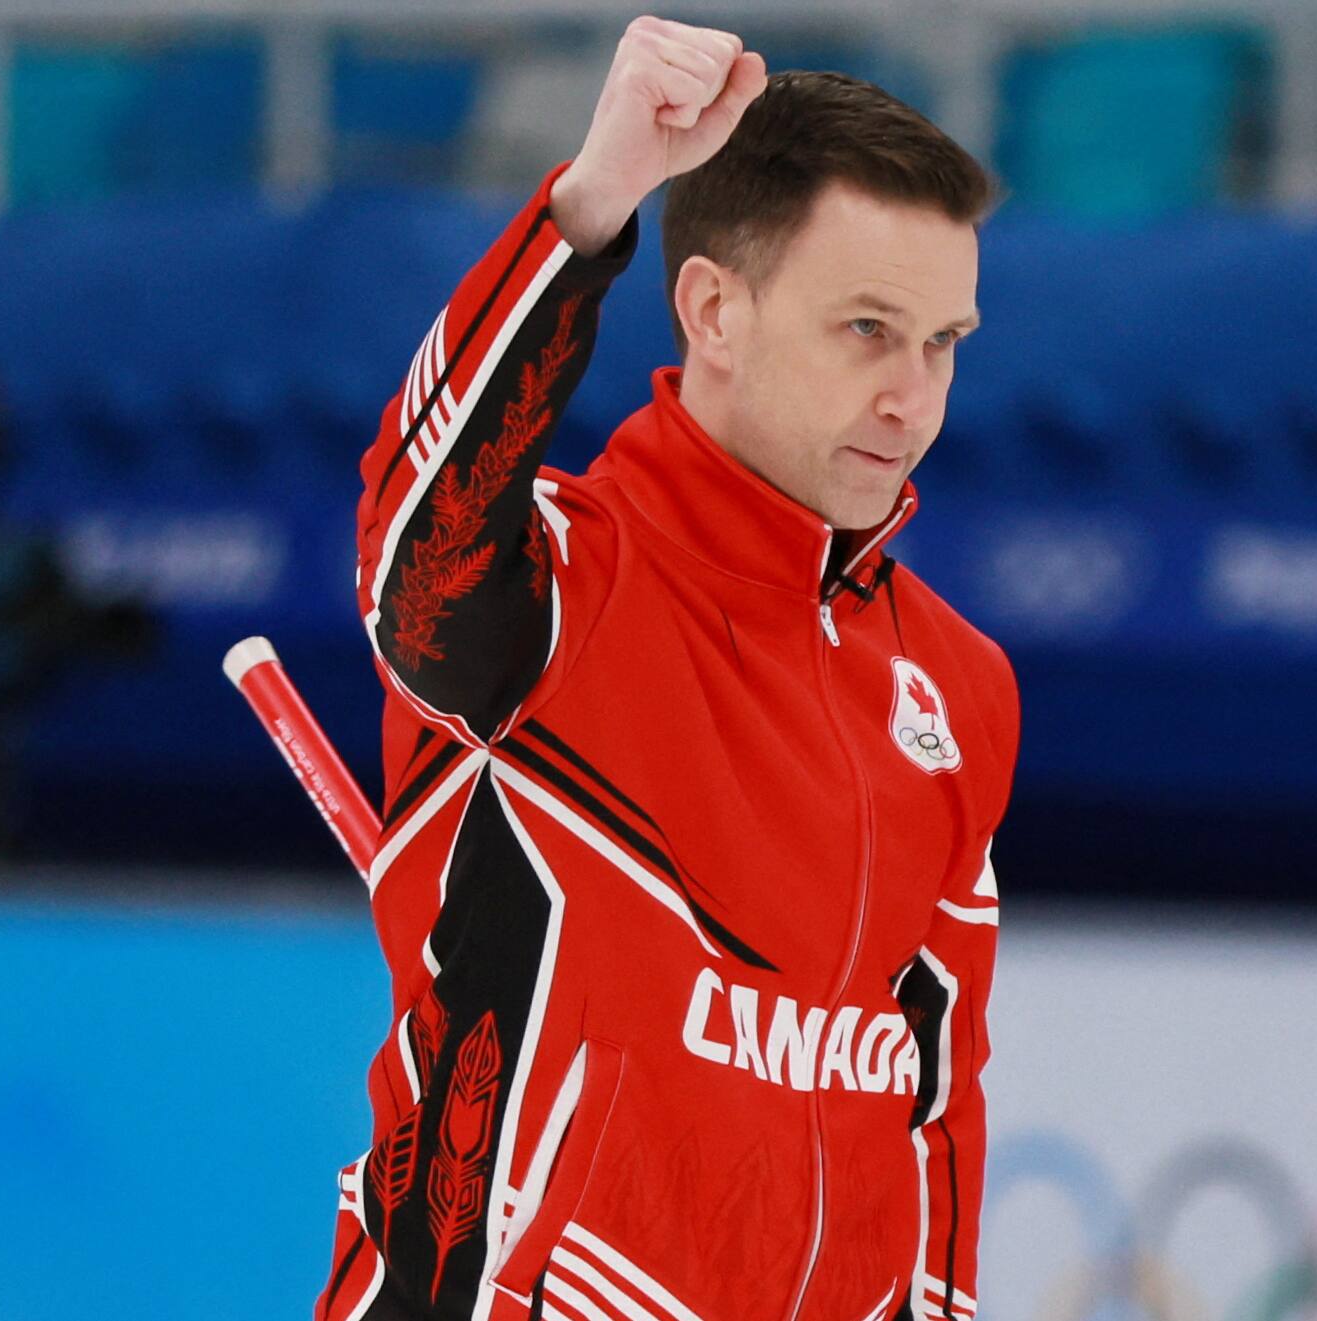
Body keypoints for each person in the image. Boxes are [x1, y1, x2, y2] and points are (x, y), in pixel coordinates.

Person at [319, 19, 1014, 1321]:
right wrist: (588, 203)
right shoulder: (557, 591)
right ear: (713, 309)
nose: (911, 398)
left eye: (944, 341)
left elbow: (934, 1109)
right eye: (866, 328)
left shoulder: (959, 687)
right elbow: (409, 541)